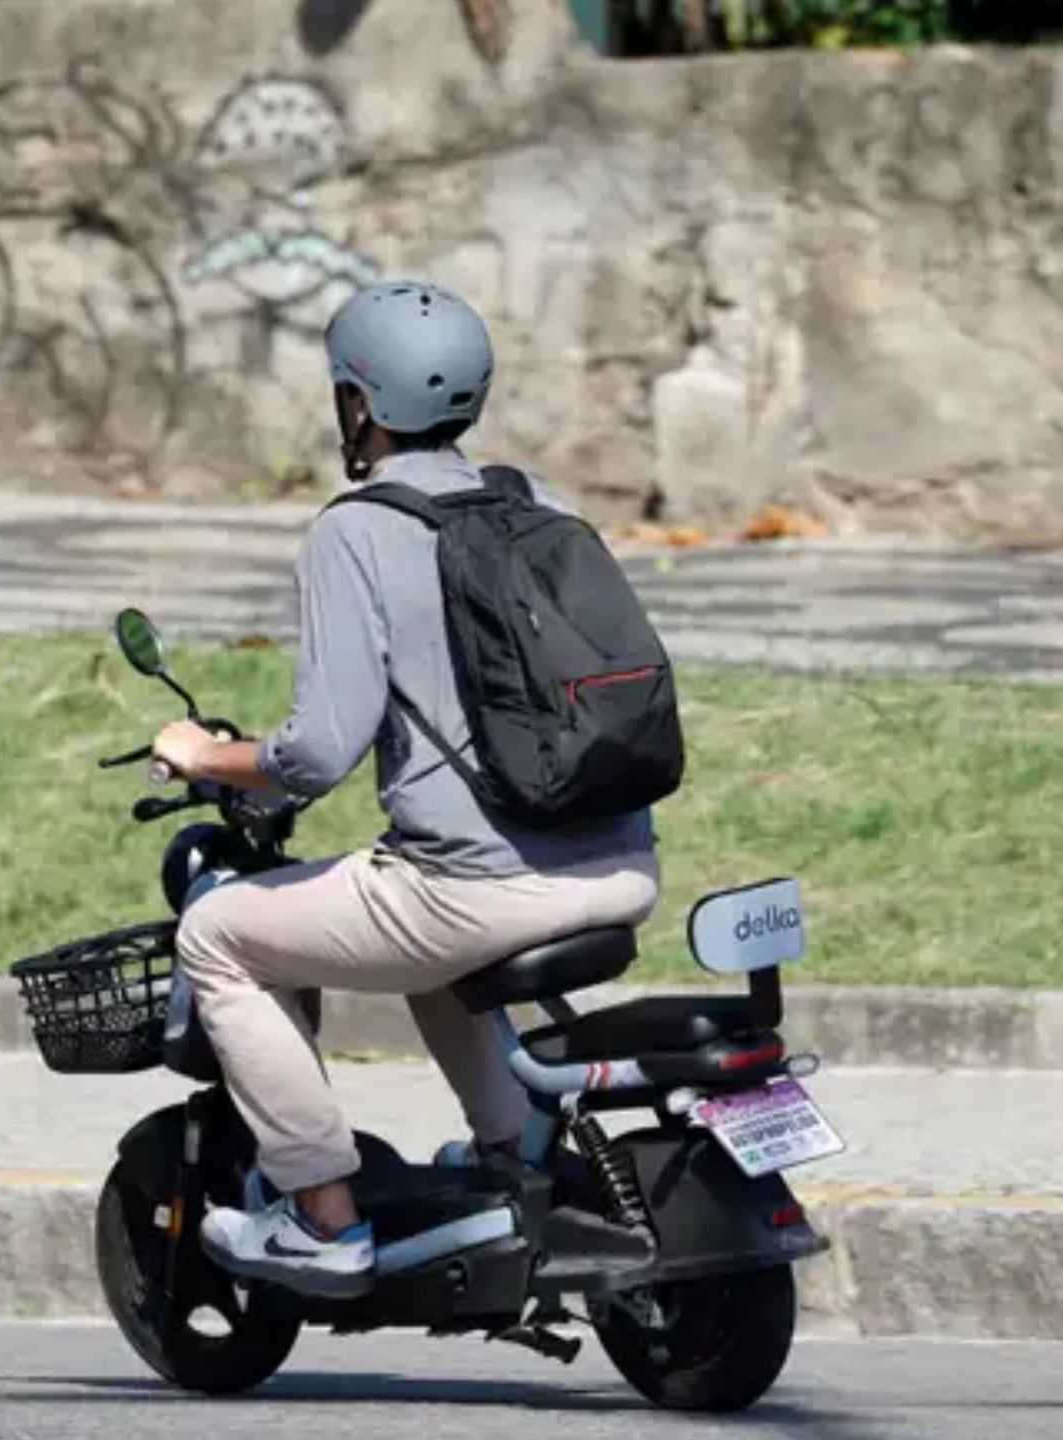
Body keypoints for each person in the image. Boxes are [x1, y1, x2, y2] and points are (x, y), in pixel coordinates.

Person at [146, 280, 661, 1297]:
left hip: (472, 889)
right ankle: (513, 1156)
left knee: (216, 936)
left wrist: (206, 756)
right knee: (424, 950)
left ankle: (321, 1219)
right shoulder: (533, 501)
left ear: (359, 403)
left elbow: (316, 754)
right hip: (618, 861)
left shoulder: (355, 532)